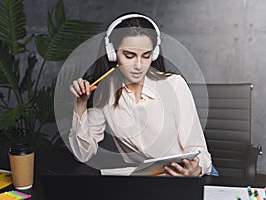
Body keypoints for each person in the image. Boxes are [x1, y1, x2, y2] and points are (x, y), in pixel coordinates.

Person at [68, 12, 213, 176]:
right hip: (148, 180)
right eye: (129, 56)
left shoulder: (174, 84)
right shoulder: (105, 93)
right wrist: (80, 104)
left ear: (154, 54)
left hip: (188, 177)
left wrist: (195, 169)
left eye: (146, 56)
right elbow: (83, 154)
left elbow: (198, 148)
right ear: (112, 54)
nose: (139, 65)